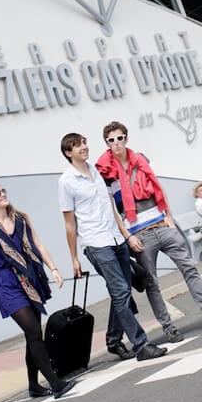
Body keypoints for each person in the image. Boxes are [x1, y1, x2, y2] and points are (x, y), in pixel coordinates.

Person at [95, 121, 202, 343]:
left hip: (162, 226)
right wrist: (128, 236)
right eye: (111, 140)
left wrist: (168, 216)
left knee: (189, 268)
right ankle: (169, 328)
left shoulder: (141, 160)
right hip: (139, 234)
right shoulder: (106, 173)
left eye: (120, 138)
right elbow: (111, 208)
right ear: (106, 143)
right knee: (152, 282)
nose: (116, 143)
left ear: (126, 138)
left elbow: (157, 187)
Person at [58, 132, 167, 362]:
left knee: (122, 292)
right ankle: (140, 345)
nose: (84, 147)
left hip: (116, 238)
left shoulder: (97, 171)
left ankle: (113, 340)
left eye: (84, 143)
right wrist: (74, 258)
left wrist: (125, 236)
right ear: (69, 153)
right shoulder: (66, 182)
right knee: (121, 292)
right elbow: (69, 224)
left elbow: (109, 206)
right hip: (96, 243)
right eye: (78, 146)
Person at [0, 182, 75, 399]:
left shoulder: (20, 219)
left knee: (34, 334)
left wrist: (54, 268)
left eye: (3, 191)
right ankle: (55, 383)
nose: (3, 194)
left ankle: (34, 385)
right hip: (8, 286)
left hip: (29, 280)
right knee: (33, 331)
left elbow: (38, 245)